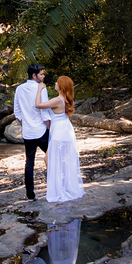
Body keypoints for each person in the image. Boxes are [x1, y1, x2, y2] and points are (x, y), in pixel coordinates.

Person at [35, 75, 85, 203]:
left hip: (60, 132)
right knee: (61, 159)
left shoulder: (58, 100)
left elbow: (38, 105)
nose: (55, 84)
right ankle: (61, 185)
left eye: (57, 83)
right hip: (65, 130)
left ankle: (59, 187)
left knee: (49, 158)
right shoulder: (65, 99)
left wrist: (40, 89)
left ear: (61, 86)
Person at [13, 63, 52, 200]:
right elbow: (45, 112)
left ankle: (30, 194)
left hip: (28, 132)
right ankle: (55, 188)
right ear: (34, 75)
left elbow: (17, 112)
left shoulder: (19, 89)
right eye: (41, 74)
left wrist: (25, 124)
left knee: (29, 162)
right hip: (41, 130)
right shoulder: (41, 88)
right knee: (53, 157)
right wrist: (50, 128)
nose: (43, 76)